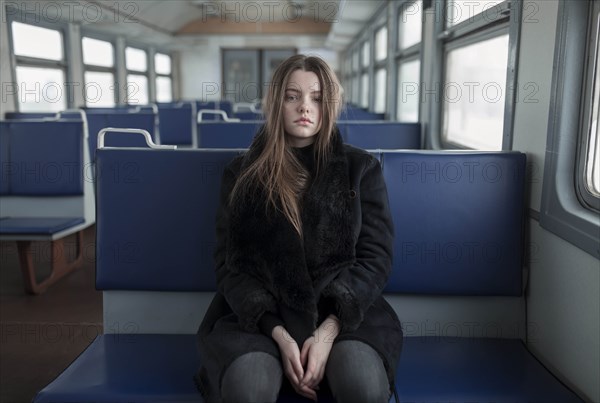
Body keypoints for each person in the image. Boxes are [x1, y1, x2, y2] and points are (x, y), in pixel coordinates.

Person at [195, 54, 403, 403]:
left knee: (362, 386)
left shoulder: (360, 169)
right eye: (292, 96)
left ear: (329, 105)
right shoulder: (242, 174)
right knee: (247, 389)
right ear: (277, 102)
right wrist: (279, 333)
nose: (304, 106)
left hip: (346, 315)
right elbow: (230, 267)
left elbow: (375, 258)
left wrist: (328, 330)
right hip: (261, 318)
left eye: (317, 98)